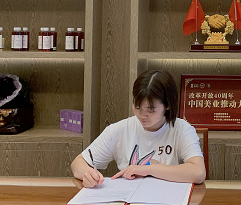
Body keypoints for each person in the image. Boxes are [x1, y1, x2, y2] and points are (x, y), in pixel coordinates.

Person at [71, 70, 206, 188]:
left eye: (150, 110)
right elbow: (78, 163)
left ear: (168, 105)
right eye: (137, 107)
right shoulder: (120, 130)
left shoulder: (182, 130)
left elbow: (198, 172)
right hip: (129, 203)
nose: (142, 115)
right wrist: (87, 174)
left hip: (168, 204)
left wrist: (148, 170)